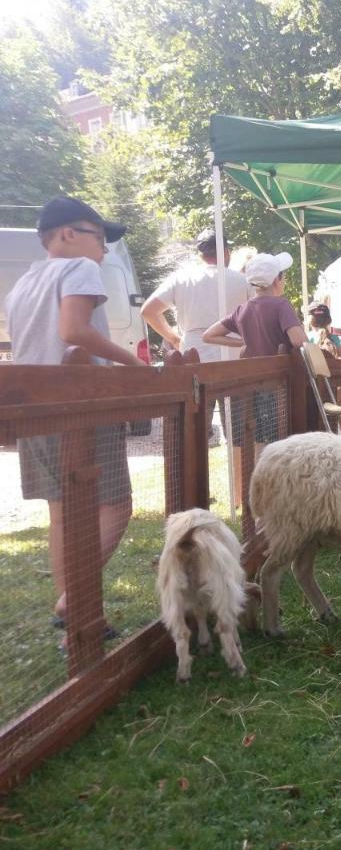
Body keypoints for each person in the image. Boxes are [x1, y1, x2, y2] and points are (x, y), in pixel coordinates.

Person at [2, 196, 147, 650]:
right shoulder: (80, 269)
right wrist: (133, 364)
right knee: (117, 506)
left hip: (36, 408)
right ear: (66, 234)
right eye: (99, 238)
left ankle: (80, 613)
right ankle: (74, 600)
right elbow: (73, 333)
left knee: (61, 512)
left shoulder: (23, 282)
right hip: (80, 405)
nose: (103, 251)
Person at [204, 252, 306, 458]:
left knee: (260, 438)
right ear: (277, 279)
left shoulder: (242, 309)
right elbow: (298, 340)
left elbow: (209, 335)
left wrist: (243, 341)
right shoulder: (281, 305)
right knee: (283, 438)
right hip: (280, 385)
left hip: (253, 386)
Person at [141, 229, 254, 361]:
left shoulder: (180, 279)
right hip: (234, 354)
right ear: (225, 252)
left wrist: (174, 339)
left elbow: (148, 311)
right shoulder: (244, 281)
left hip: (194, 354)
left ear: (200, 255)